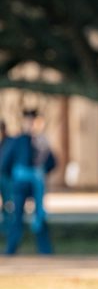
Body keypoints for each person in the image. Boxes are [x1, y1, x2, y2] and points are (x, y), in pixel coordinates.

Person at [2, 109, 57, 255]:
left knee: (40, 215)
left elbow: (52, 162)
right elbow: (5, 163)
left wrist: (40, 172)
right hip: (20, 184)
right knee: (16, 216)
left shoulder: (41, 141)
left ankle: (45, 250)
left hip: (36, 184)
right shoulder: (16, 141)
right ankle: (11, 249)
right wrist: (14, 178)